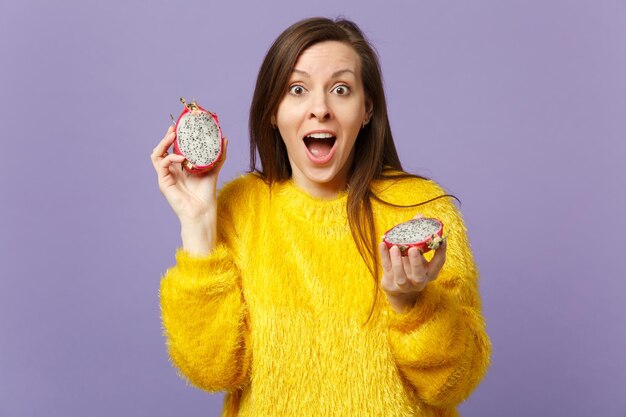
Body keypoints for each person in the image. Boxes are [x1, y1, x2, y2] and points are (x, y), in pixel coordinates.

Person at [151, 17, 490, 417]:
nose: (320, 109)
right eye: (297, 89)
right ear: (273, 111)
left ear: (366, 110)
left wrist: (411, 304)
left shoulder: (420, 206)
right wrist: (198, 222)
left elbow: (456, 381)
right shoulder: (241, 209)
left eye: (341, 89)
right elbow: (212, 370)